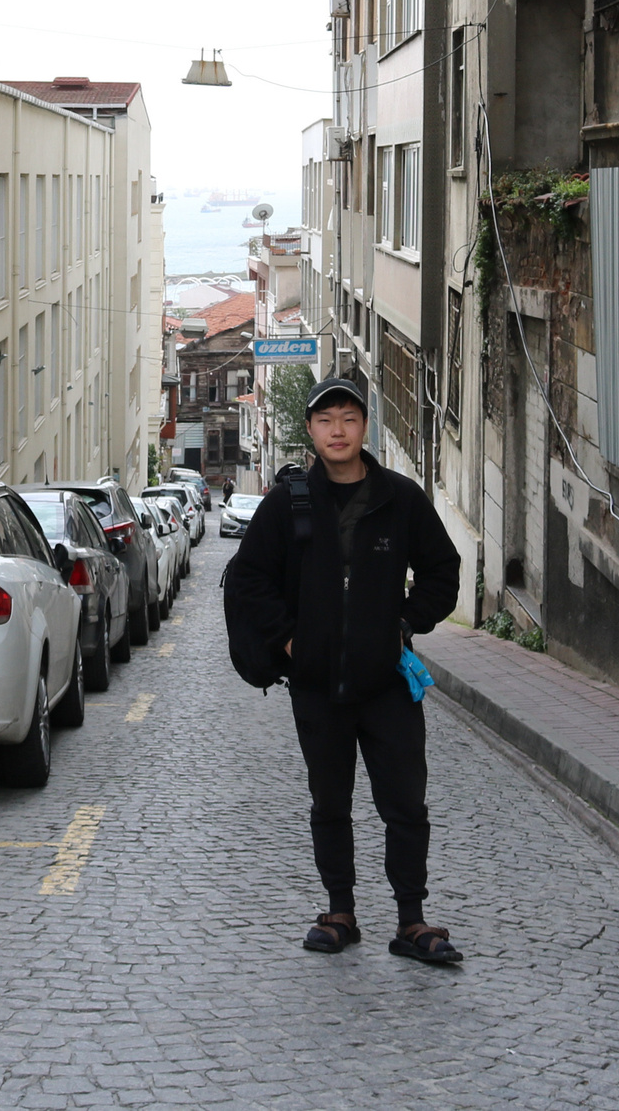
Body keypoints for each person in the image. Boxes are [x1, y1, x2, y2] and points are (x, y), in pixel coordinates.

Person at [229, 374, 464, 965]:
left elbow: (443, 570)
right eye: (326, 420)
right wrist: (288, 641)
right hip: (316, 687)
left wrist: (405, 624)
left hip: (387, 685)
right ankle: (340, 911)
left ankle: (411, 920)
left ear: (365, 428)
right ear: (310, 430)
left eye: (349, 419)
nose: (338, 430)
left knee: (405, 803)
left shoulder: (400, 498)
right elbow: (250, 577)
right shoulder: (288, 503)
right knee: (330, 801)